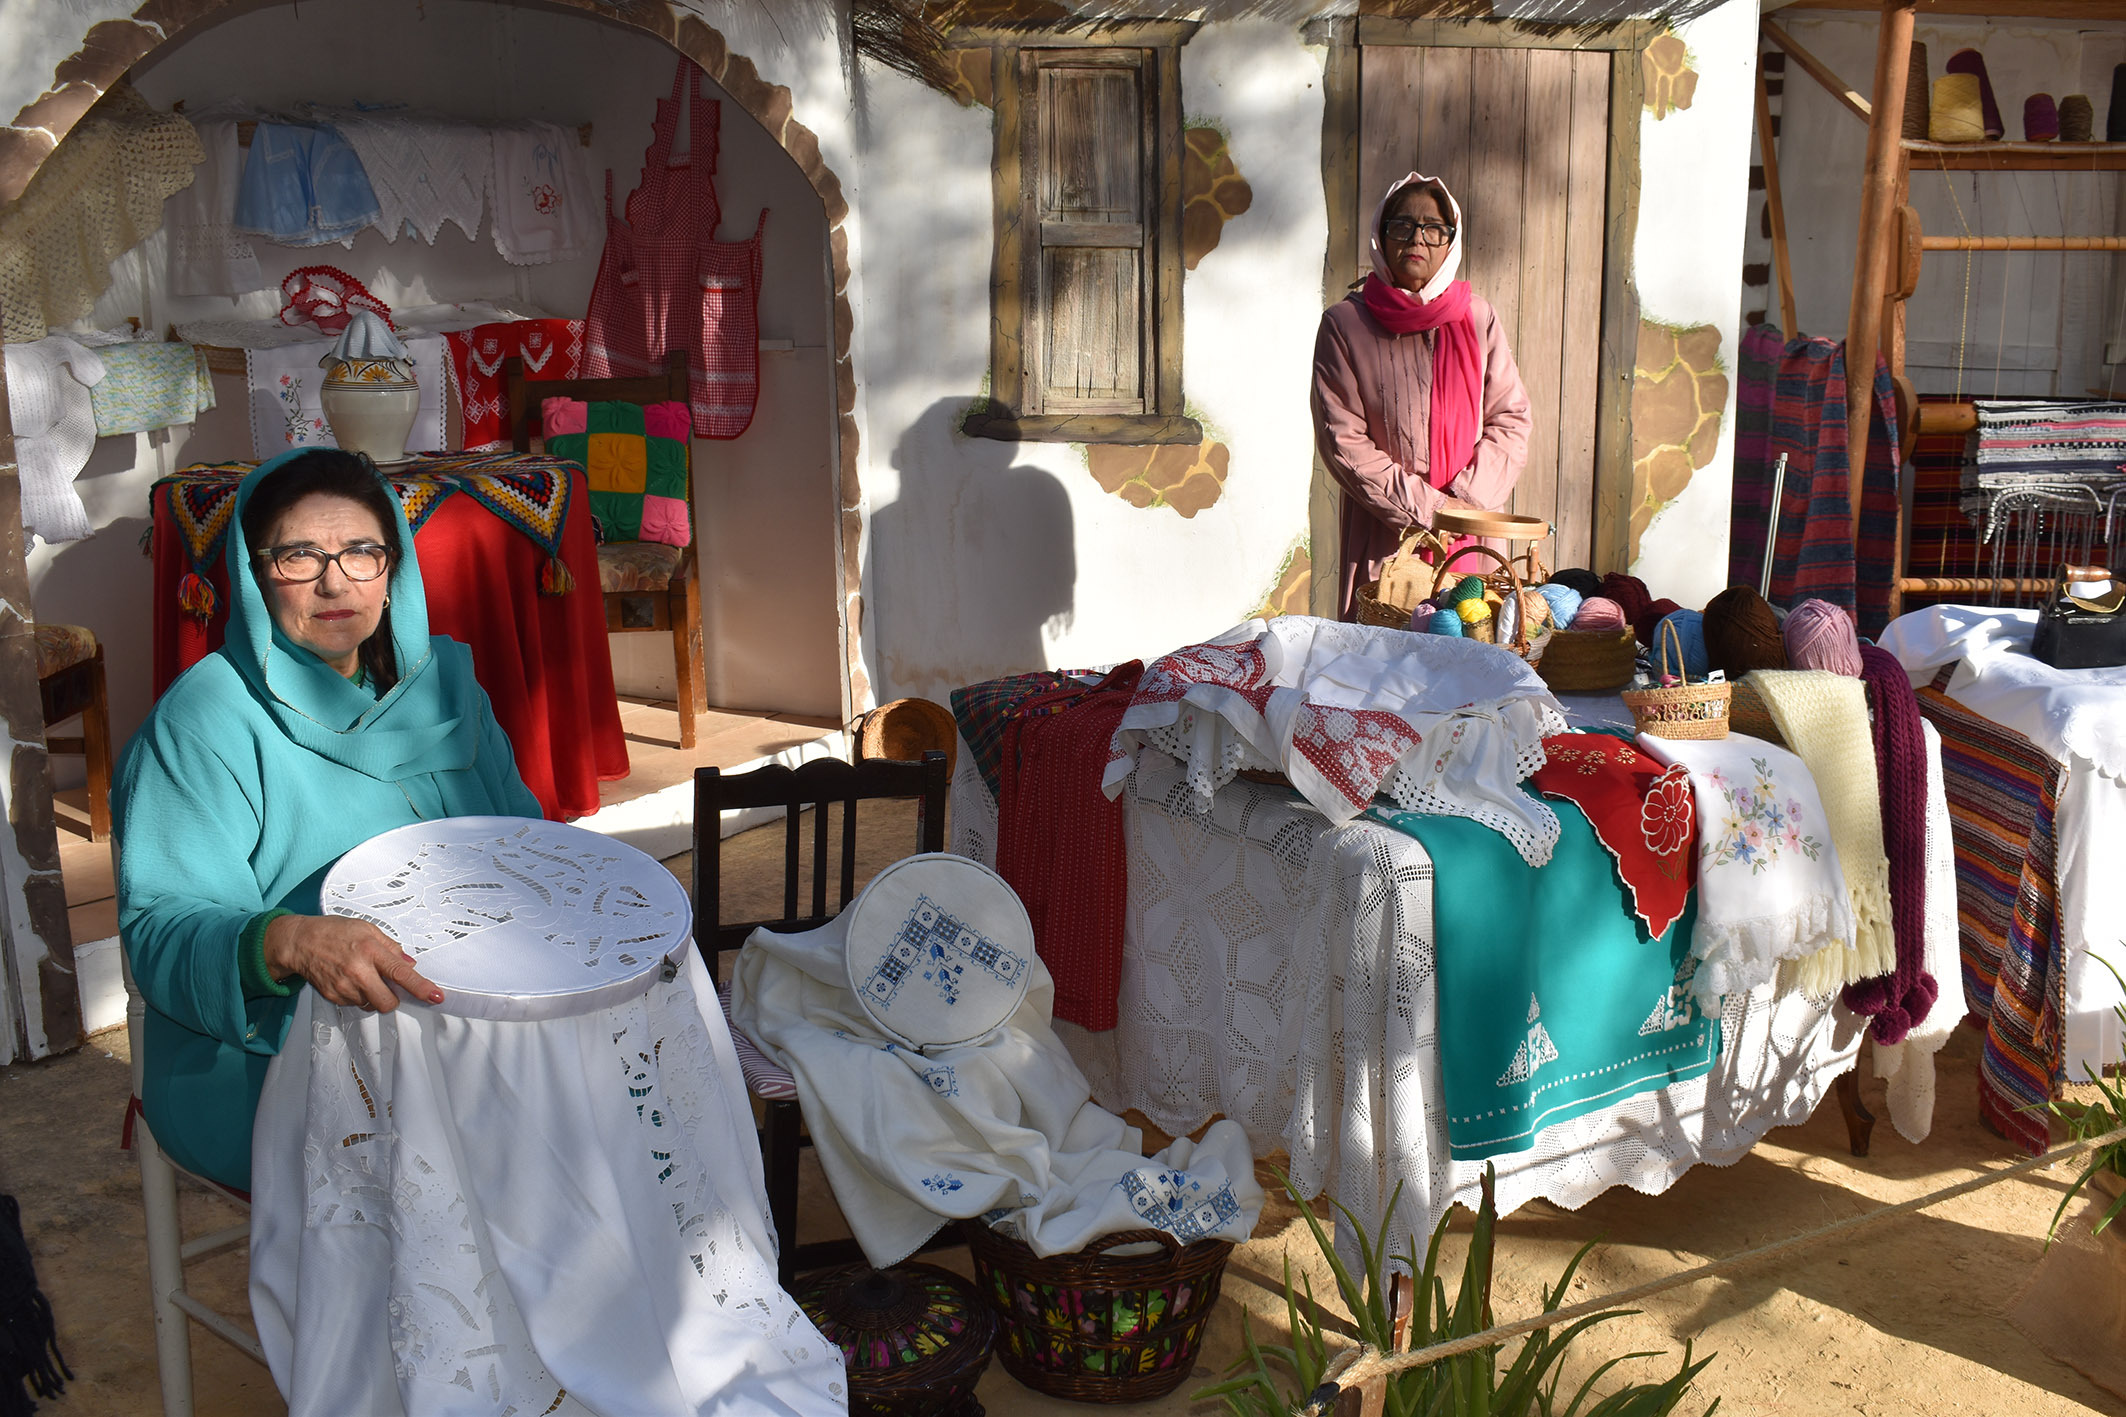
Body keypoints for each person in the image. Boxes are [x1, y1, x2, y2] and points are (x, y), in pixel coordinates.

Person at [114, 448, 542, 1192]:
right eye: (300, 556)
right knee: (500, 1165)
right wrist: (288, 939)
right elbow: (160, 927)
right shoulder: (205, 719)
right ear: (254, 571)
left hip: (468, 1022)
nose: (335, 581)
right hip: (270, 1050)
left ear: (393, 567)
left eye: (360, 552)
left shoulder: (448, 685)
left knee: (615, 1094)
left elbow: (528, 847)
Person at [1312, 172, 1533, 620]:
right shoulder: (1345, 325)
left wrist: (1461, 508)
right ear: (1381, 234)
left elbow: (1510, 419)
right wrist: (1428, 510)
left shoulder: (1477, 318)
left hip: (1473, 534)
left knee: (1474, 645)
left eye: (1434, 228)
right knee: (1384, 664)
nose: (1418, 239)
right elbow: (1343, 440)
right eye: (1403, 225)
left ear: (1450, 240)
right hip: (1389, 531)